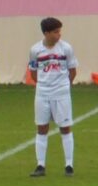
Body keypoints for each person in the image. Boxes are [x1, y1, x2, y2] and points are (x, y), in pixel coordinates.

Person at [28, 17, 79, 177]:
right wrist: (44, 85)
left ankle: (69, 165)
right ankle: (40, 165)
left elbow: (72, 70)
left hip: (61, 93)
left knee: (65, 127)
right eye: (56, 32)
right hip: (42, 93)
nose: (59, 34)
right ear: (46, 33)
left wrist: (64, 85)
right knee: (42, 128)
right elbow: (33, 72)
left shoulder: (66, 48)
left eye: (59, 31)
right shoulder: (35, 50)